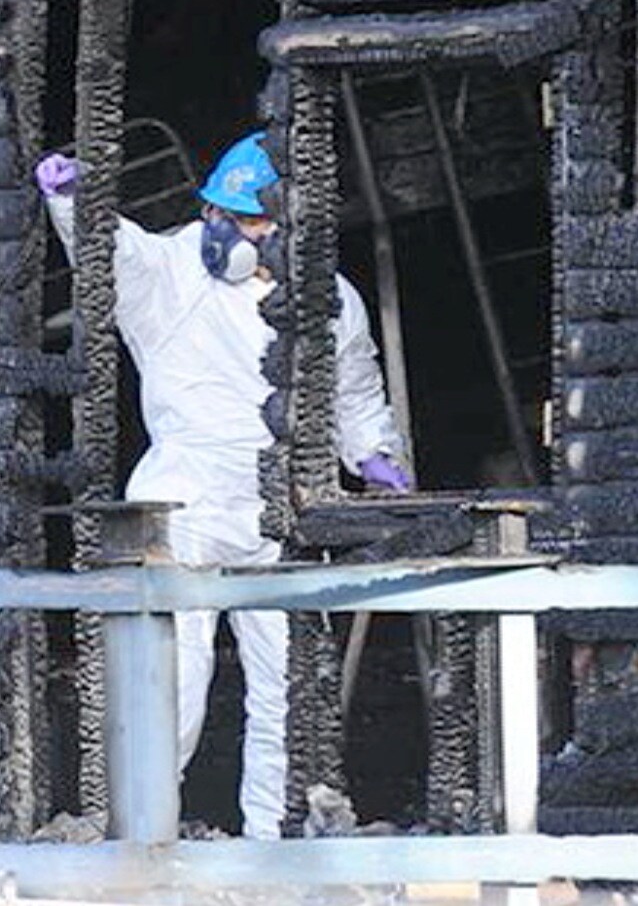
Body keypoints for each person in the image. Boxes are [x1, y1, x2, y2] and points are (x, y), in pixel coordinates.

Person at [36, 131, 410, 839]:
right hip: (184, 498)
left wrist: (375, 455)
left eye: (244, 220)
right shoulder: (175, 270)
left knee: (288, 692)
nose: (223, 232)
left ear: (288, 225)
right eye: (217, 213)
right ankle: (144, 845)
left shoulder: (329, 299)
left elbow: (354, 391)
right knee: (167, 684)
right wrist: (73, 202)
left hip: (285, 504)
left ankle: (272, 847)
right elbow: (115, 251)